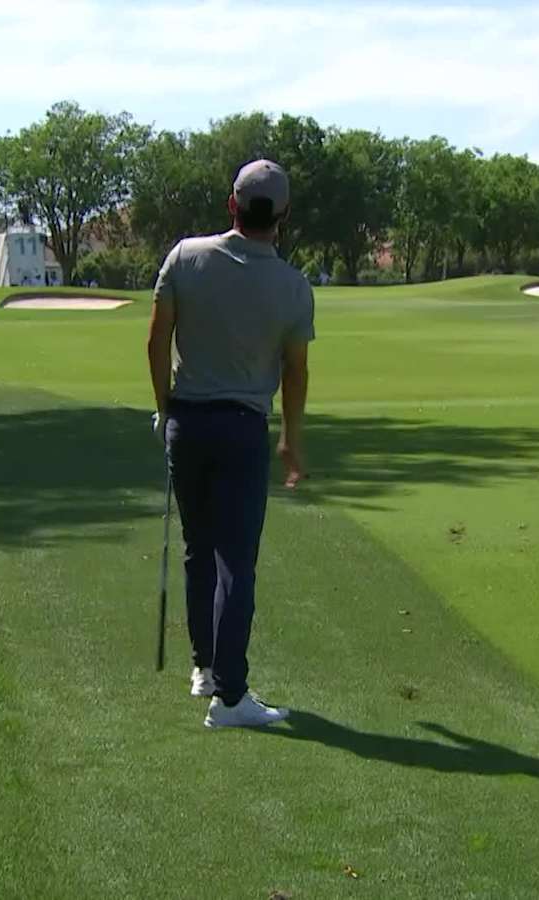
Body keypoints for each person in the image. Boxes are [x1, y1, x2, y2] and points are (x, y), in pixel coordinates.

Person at [146, 159, 314, 729]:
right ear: (284, 216)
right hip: (242, 429)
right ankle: (231, 696)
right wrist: (291, 439)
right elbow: (295, 374)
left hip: (187, 424)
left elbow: (157, 340)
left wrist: (165, 408)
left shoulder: (185, 257)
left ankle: (205, 668)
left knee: (199, 548)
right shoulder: (293, 287)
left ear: (232, 205)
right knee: (235, 563)